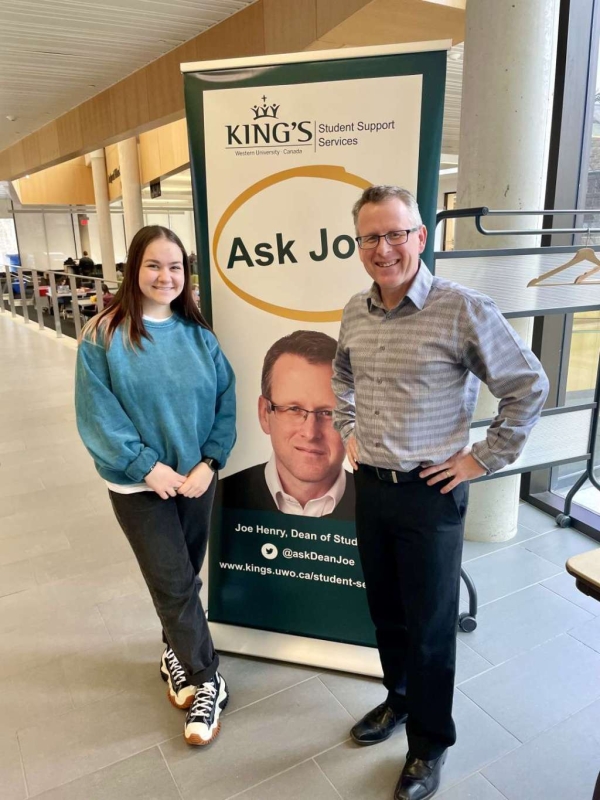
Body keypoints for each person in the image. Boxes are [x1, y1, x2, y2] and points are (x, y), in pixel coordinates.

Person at [332, 186, 549, 800]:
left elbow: (528, 385)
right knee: (388, 617)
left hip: (431, 495)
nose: (384, 248)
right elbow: (342, 374)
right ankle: (398, 702)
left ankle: (428, 746)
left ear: (420, 237)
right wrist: (348, 429)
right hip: (372, 489)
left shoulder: (460, 308)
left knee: (430, 630)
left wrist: (482, 458)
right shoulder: (354, 310)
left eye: (396, 233)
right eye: (370, 237)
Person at [75, 225, 236, 747]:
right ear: (132, 269)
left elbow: (225, 402)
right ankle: (207, 678)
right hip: (137, 486)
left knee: (185, 578)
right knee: (173, 582)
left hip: (195, 481)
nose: (165, 276)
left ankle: (175, 651)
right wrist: (148, 467)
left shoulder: (199, 335)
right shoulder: (103, 335)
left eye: (175, 267)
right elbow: (98, 415)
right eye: (153, 265)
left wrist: (210, 462)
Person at [221, 330, 354, 519]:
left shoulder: (382, 510)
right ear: (264, 414)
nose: (310, 432)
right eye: (293, 409)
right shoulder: (218, 500)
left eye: (328, 413)